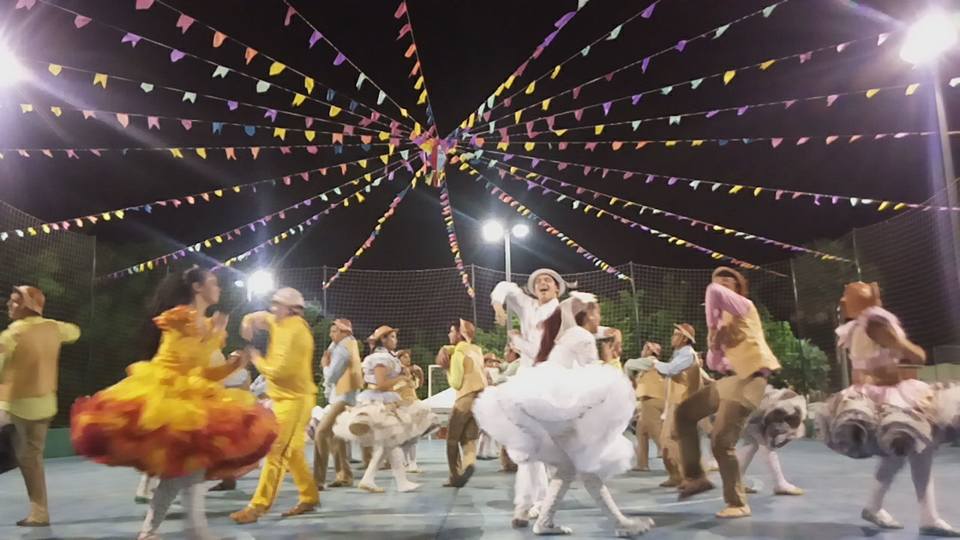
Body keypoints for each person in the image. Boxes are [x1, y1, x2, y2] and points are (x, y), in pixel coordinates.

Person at [71, 267, 277, 540]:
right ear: (197, 287)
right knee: (187, 471)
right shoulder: (182, 317)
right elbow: (181, 361)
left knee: (186, 471)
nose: (218, 288)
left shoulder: (204, 323)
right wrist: (212, 336)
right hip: (168, 394)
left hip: (190, 394)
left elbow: (202, 372)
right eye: (213, 282)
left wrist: (234, 365)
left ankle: (162, 531)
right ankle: (182, 531)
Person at [475, 292, 654, 537]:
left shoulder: (572, 335)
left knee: (567, 469)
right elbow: (592, 379)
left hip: (545, 406)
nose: (600, 317)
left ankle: (545, 522)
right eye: (598, 312)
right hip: (556, 408)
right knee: (587, 469)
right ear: (589, 315)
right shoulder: (582, 337)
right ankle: (620, 522)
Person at [819, 282, 957, 535]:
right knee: (913, 447)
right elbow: (916, 356)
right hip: (890, 396)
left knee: (908, 450)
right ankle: (919, 515)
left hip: (875, 393)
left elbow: (867, 365)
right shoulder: (876, 323)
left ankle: (903, 511)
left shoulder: (855, 327)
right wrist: (907, 349)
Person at [675, 267, 781, 519]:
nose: (721, 282)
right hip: (728, 380)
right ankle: (696, 477)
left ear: (737, 287)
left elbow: (713, 291)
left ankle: (738, 503)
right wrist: (714, 342)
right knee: (684, 413)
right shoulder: (721, 321)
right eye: (718, 278)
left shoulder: (745, 307)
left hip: (750, 378)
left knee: (721, 442)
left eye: (728, 279)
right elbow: (714, 364)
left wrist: (712, 324)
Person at [490, 268, 576, 527]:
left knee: (550, 450)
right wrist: (498, 306)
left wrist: (517, 341)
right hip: (528, 386)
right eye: (538, 281)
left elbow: (542, 353)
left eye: (548, 280)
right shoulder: (527, 306)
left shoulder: (563, 314)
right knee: (528, 446)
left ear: (558, 288)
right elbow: (505, 286)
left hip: (552, 386)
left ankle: (538, 503)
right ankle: (528, 504)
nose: (542, 282)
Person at [231, 287, 320, 524]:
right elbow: (258, 317)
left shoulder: (297, 333)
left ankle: (257, 507)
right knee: (294, 452)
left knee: (276, 451)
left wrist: (256, 359)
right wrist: (247, 322)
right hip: (284, 398)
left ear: (291, 309)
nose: (272, 308)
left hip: (295, 401)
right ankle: (309, 496)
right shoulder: (278, 321)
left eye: (277, 305)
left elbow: (279, 371)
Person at [0, 285, 80, 527]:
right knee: (31, 458)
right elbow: (74, 332)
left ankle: (39, 512)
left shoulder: (13, 334)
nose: (9, 305)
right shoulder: (54, 327)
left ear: (27, 307)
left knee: (26, 457)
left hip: (15, 406)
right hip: (45, 405)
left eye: (15, 301)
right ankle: (39, 512)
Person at [332, 326, 434, 493]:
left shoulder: (386, 357)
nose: (395, 340)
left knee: (389, 444)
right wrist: (401, 378)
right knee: (391, 442)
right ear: (384, 340)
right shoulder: (381, 358)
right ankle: (396, 482)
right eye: (392, 337)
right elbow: (381, 384)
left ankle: (371, 479)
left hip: (384, 400)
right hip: (379, 403)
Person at [314, 319, 362, 489]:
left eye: (335, 331)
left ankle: (318, 480)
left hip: (342, 398)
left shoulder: (342, 349)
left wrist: (324, 365)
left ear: (344, 332)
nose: (331, 334)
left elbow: (331, 376)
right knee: (336, 436)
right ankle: (344, 475)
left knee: (321, 433)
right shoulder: (348, 345)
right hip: (346, 397)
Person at [440, 319, 487, 487]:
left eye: (452, 331)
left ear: (459, 333)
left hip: (465, 397)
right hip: (481, 398)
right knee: (470, 439)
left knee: (452, 439)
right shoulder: (477, 350)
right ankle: (469, 464)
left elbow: (456, 383)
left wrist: (447, 369)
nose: (449, 334)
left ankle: (455, 476)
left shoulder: (458, 355)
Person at [739, 385, 806, 496]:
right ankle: (780, 483)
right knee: (762, 447)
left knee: (752, 445)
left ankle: (735, 481)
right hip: (751, 412)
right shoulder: (776, 412)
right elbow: (769, 441)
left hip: (755, 409)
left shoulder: (794, 411)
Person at [624, 342, 663, 472]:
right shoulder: (647, 369)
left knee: (657, 435)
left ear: (649, 351)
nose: (642, 351)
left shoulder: (650, 361)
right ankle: (642, 463)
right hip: (650, 401)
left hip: (651, 401)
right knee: (641, 431)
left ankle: (678, 463)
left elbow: (628, 364)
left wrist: (629, 377)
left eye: (644, 349)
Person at [396, 348, 425, 473]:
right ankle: (405, 462)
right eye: (405, 357)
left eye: (408, 357)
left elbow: (418, 386)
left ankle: (412, 463)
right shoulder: (394, 374)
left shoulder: (411, 373)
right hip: (401, 407)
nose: (408, 359)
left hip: (412, 405)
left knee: (412, 436)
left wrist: (420, 373)